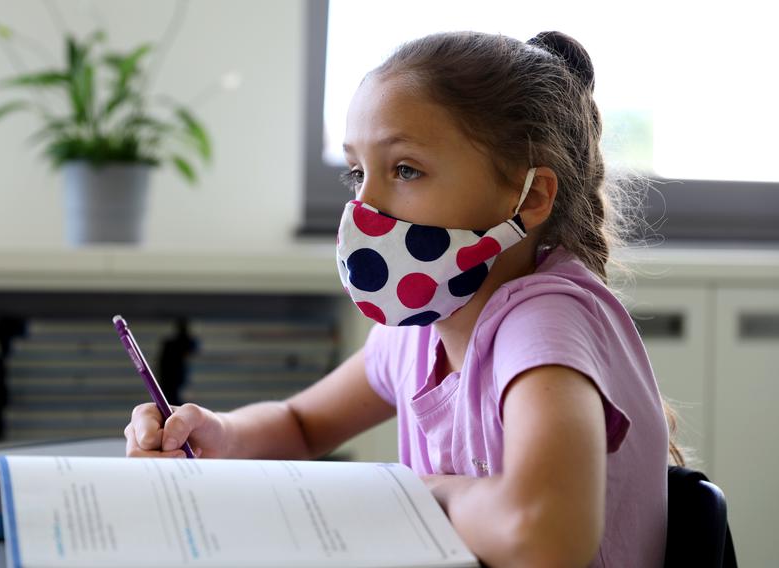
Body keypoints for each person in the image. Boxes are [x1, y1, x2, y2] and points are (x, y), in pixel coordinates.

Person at [125, 30, 677, 568]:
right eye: (357, 174)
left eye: (405, 170)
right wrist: (216, 435)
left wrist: (412, 492)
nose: (364, 207)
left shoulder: (544, 322)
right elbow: (301, 424)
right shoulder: (416, 326)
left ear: (529, 197)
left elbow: (546, 535)